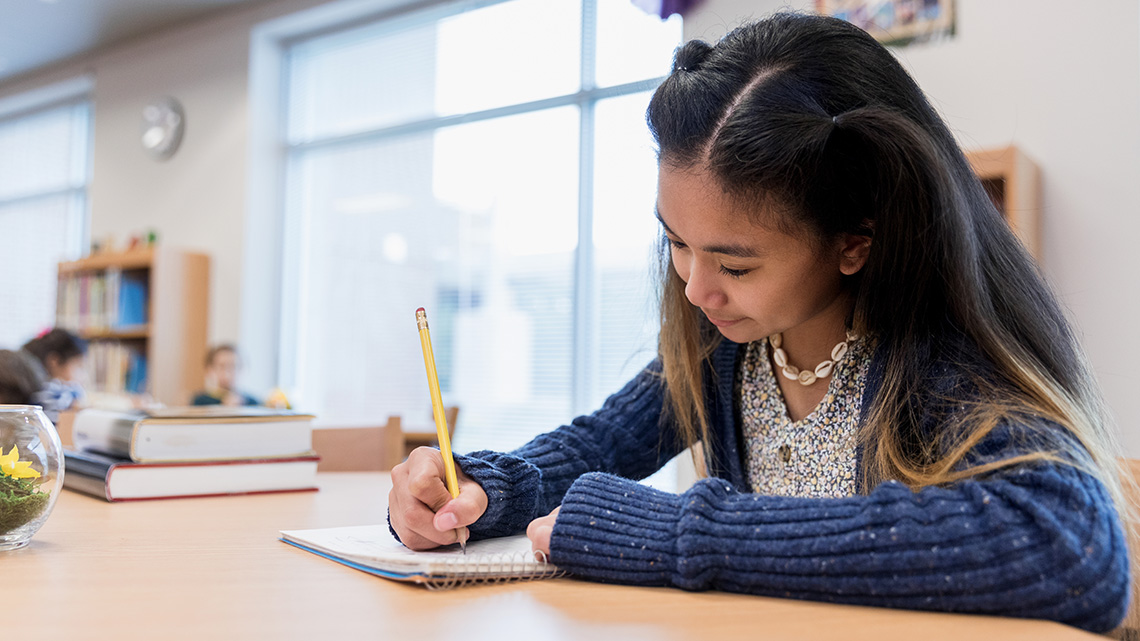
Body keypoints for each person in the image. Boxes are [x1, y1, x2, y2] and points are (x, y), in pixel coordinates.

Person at [387, 12, 1130, 633]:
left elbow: (1070, 546)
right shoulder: (729, 341)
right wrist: (485, 489)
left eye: (735, 265)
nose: (696, 287)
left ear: (854, 240)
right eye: (676, 243)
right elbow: (603, 443)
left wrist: (673, 534)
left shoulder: (934, 357)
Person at [21, 328, 87, 423]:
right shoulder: (56, 394)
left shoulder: (36, 390)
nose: (82, 374)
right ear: (54, 361)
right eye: (77, 365)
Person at [191, 344, 259, 406]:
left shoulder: (253, 402)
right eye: (222, 366)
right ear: (210, 369)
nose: (227, 372)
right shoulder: (200, 401)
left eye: (233, 366)